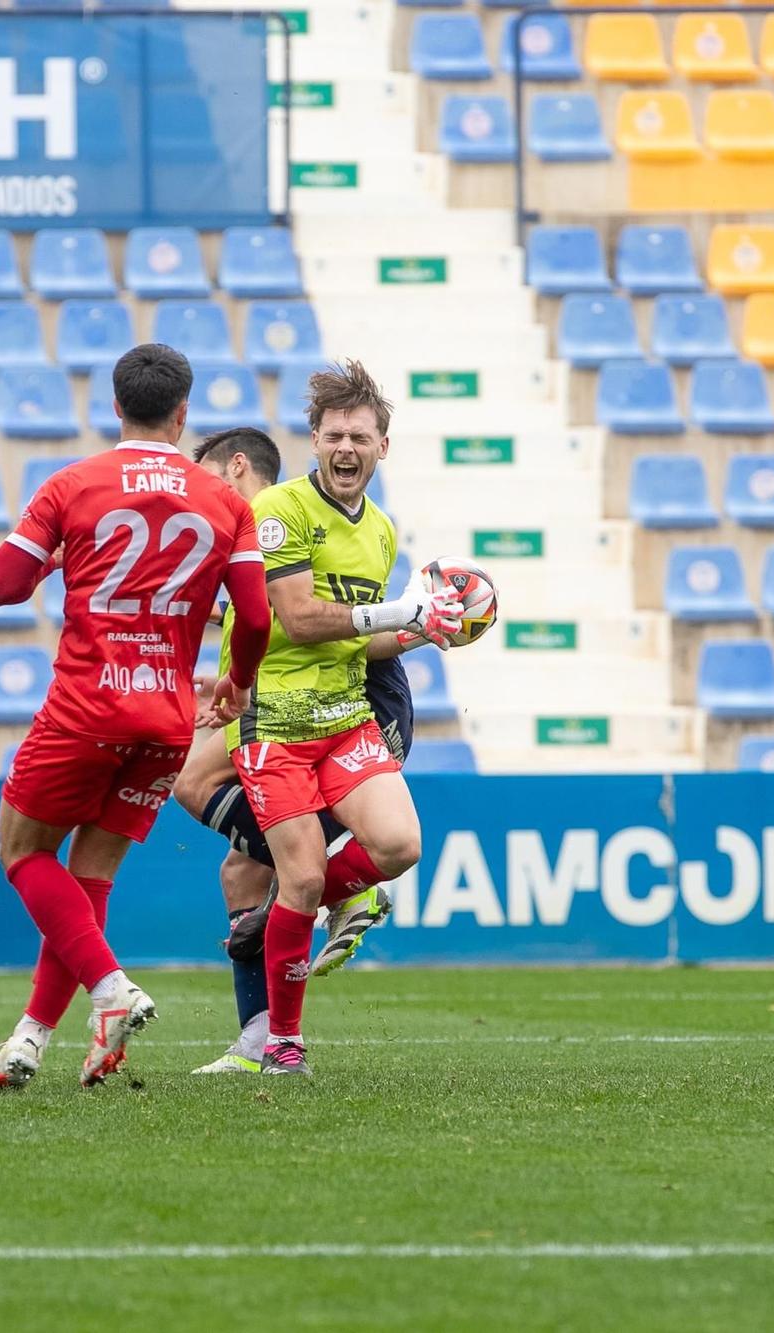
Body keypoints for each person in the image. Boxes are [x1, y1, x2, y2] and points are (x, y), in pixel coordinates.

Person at [0, 344, 273, 1090]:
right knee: (91, 875)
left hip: (86, 704)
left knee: (22, 852)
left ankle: (110, 987)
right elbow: (258, 617)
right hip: (168, 717)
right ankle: (29, 1040)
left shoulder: (74, 484)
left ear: (115, 407)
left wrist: (56, 551)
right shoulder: (225, 502)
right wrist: (234, 682)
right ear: (182, 413)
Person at [225, 360, 462, 1075]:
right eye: (335, 435)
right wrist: (398, 610)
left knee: (398, 844)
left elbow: (364, 637)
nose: (347, 448)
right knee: (296, 879)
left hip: (345, 718)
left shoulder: (382, 531)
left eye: (360, 435)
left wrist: (429, 628)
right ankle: (285, 1042)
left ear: (382, 446)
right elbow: (296, 620)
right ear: (314, 440)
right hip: (276, 727)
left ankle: (283, 926)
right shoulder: (280, 511)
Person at [177, 427, 422, 1074]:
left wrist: (415, 625)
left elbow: (295, 618)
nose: (199, 496)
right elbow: (250, 617)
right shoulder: (254, 533)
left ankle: (340, 891)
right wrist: (228, 673)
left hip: (359, 700)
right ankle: (267, 1033)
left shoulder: (279, 520)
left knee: (194, 784)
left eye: (207, 480)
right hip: (283, 704)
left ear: (236, 469)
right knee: (243, 871)